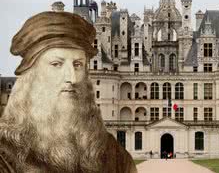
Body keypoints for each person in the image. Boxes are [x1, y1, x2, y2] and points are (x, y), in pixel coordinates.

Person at [0, 11, 137, 173]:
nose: (72, 78)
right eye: (57, 64)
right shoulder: (5, 158)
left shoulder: (114, 155)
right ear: (30, 75)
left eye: (78, 65)